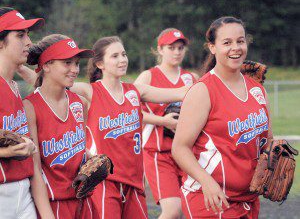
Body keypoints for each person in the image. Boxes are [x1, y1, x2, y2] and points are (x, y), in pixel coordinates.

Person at [69, 36, 190, 218]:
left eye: (124, 54)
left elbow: (180, 93)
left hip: (134, 182)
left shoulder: (135, 91)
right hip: (105, 181)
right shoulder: (91, 91)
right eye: (115, 56)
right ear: (100, 64)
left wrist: (221, 78)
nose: (122, 59)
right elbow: (55, 83)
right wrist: (25, 68)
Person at [172, 16, 273, 219]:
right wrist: (206, 181)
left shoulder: (256, 89)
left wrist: (274, 159)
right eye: (227, 43)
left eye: (240, 41)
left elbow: (267, 140)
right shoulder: (204, 90)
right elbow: (179, 148)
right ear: (212, 47)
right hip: (211, 198)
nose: (235, 48)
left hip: (248, 198)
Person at [22, 34, 100, 219]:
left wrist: (89, 157)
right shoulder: (30, 107)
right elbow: (34, 171)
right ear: (46, 65)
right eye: (67, 63)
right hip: (53, 205)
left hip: (85, 202)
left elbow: (78, 150)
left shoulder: (80, 103)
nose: (74, 69)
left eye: (76, 63)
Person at [135, 28, 198, 219]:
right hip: (158, 153)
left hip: (187, 152)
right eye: (171, 47)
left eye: (181, 48)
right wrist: (162, 121)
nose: (177, 52)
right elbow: (128, 110)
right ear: (160, 49)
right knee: (172, 211)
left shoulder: (191, 78)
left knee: (192, 209)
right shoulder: (149, 76)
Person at [0, 7, 56, 219]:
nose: (29, 42)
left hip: (24, 192)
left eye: (28, 35)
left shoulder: (13, 85)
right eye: (20, 35)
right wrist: (7, 153)